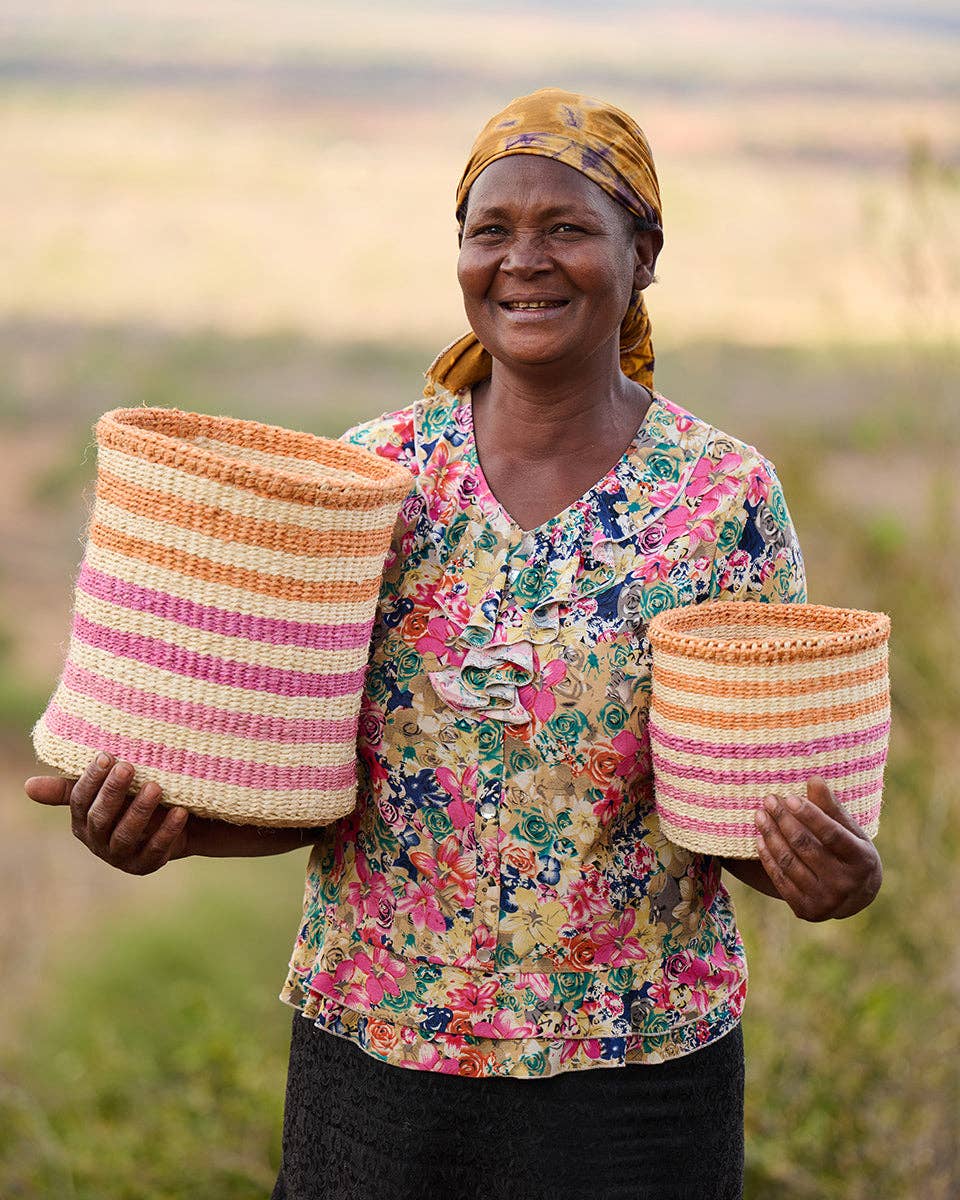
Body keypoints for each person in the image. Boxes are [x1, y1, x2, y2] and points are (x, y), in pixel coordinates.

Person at [25, 88, 882, 1200]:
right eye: (491, 231)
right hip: (377, 1063)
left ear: (644, 253)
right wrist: (168, 833)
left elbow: (752, 819)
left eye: (567, 227)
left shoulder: (722, 498)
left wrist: (830, 878)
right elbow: (305, 786)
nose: (522, 259)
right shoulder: (367, 481)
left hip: (634, 1080)